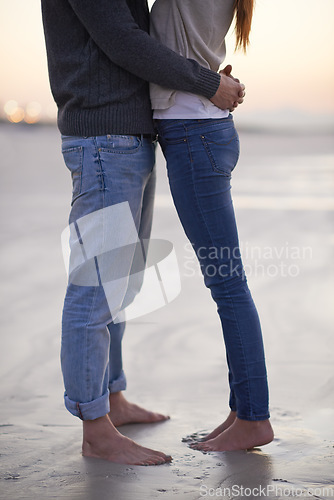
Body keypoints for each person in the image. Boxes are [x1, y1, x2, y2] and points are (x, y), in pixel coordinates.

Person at [41, 0, 245, 465]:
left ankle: (111, 399)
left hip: (126, 135)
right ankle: (96, 429)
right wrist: (208, 83)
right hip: (103, 138)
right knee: (94, 288)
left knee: (120, 283)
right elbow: (123, 40)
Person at [150, 0, 274, 451]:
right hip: (202, 130)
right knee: (228, 282)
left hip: (193, 133)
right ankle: (243, 409)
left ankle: (254, 418)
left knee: (227, 284)